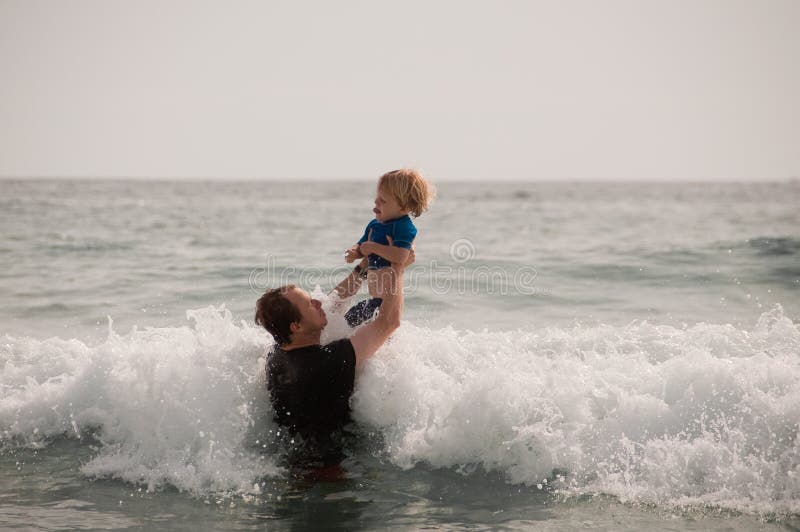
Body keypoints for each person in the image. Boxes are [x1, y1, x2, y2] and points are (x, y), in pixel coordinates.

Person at [254, 253, 411, 474]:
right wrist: (398, 266)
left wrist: (363, 268)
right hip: (327, 472)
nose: (319, 302)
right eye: (310, 304)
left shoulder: (277, 354)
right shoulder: (327, 362)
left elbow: (332, 305)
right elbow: (389, 321)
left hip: (293, 461)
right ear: (296, 326)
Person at [343, 168, 434, 327]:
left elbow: (400, 257)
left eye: (383, 201)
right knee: (346, 323)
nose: (376, 202)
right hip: (374, 299)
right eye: (377, 197)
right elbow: (361, 244)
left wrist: (372, 247)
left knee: (348, 324)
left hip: (385, 302)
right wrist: (354, 251)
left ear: (404, 207)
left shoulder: (404, 227)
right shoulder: (375, 224)